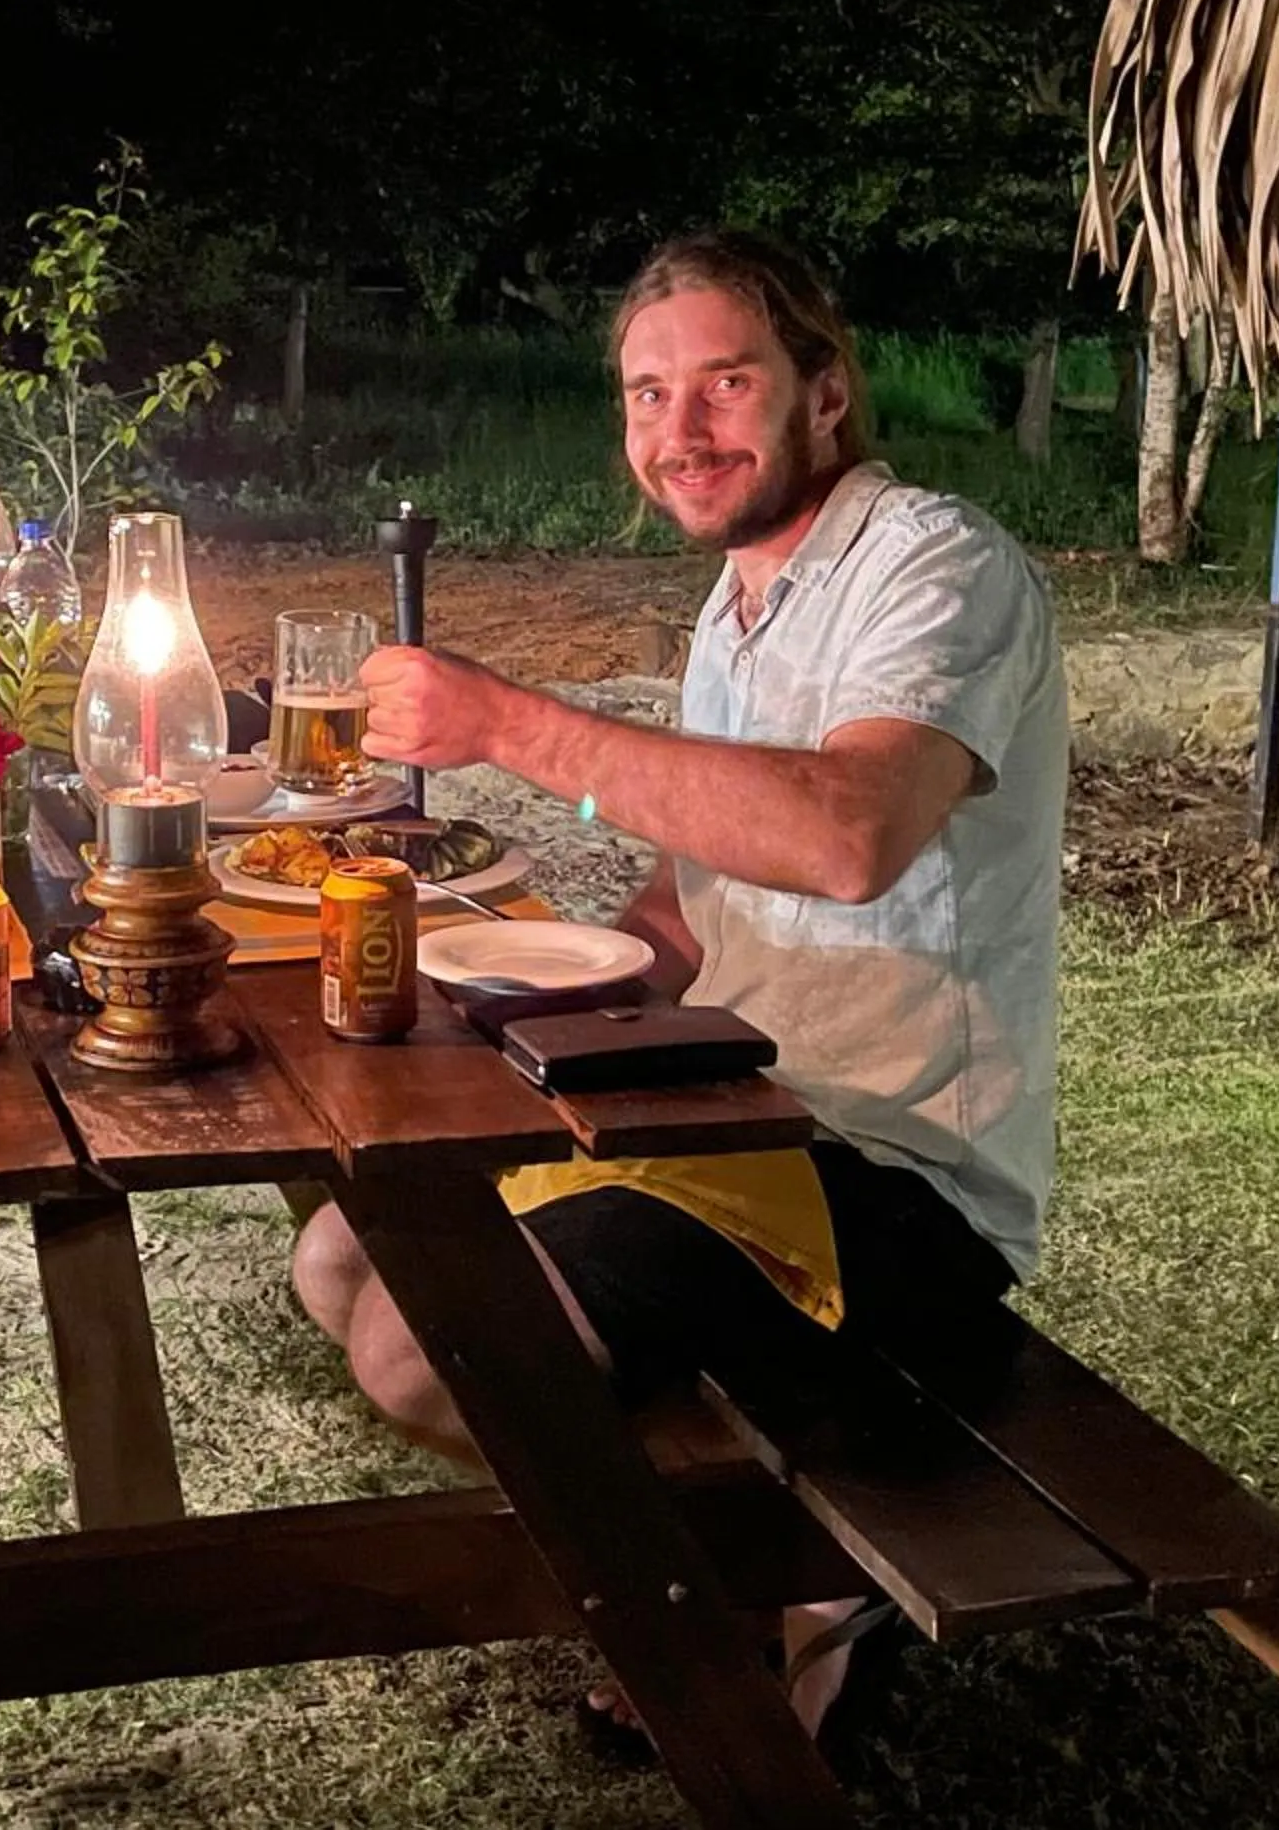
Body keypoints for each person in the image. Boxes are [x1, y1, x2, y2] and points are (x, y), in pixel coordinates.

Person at [290, 230, 1066, 1742]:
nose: (680, 432)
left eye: (723, 383)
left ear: (822, 393)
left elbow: (844, 832)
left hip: (888, 1164)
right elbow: (688, 902)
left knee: (417, 1337)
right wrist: (497, 969)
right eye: (648, 395)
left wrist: (510, 725)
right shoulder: (736, 606)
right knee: (343, 1252)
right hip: (727, 1108)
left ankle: (743, 1588)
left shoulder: (935, 563)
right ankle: (740, 1552)